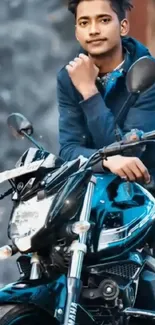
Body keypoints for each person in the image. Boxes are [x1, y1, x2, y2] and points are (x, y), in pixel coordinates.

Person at [57, 0, 155, 185]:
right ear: (77, 32)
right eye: (84, 23)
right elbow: (69, 149)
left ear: (123, 26)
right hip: (91, 191)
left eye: (103, 20)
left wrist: (89, 92)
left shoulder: (148, 73)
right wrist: (104, 161)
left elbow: (131, 153)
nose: (93, 30)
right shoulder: (68, 77)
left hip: (144, 193)